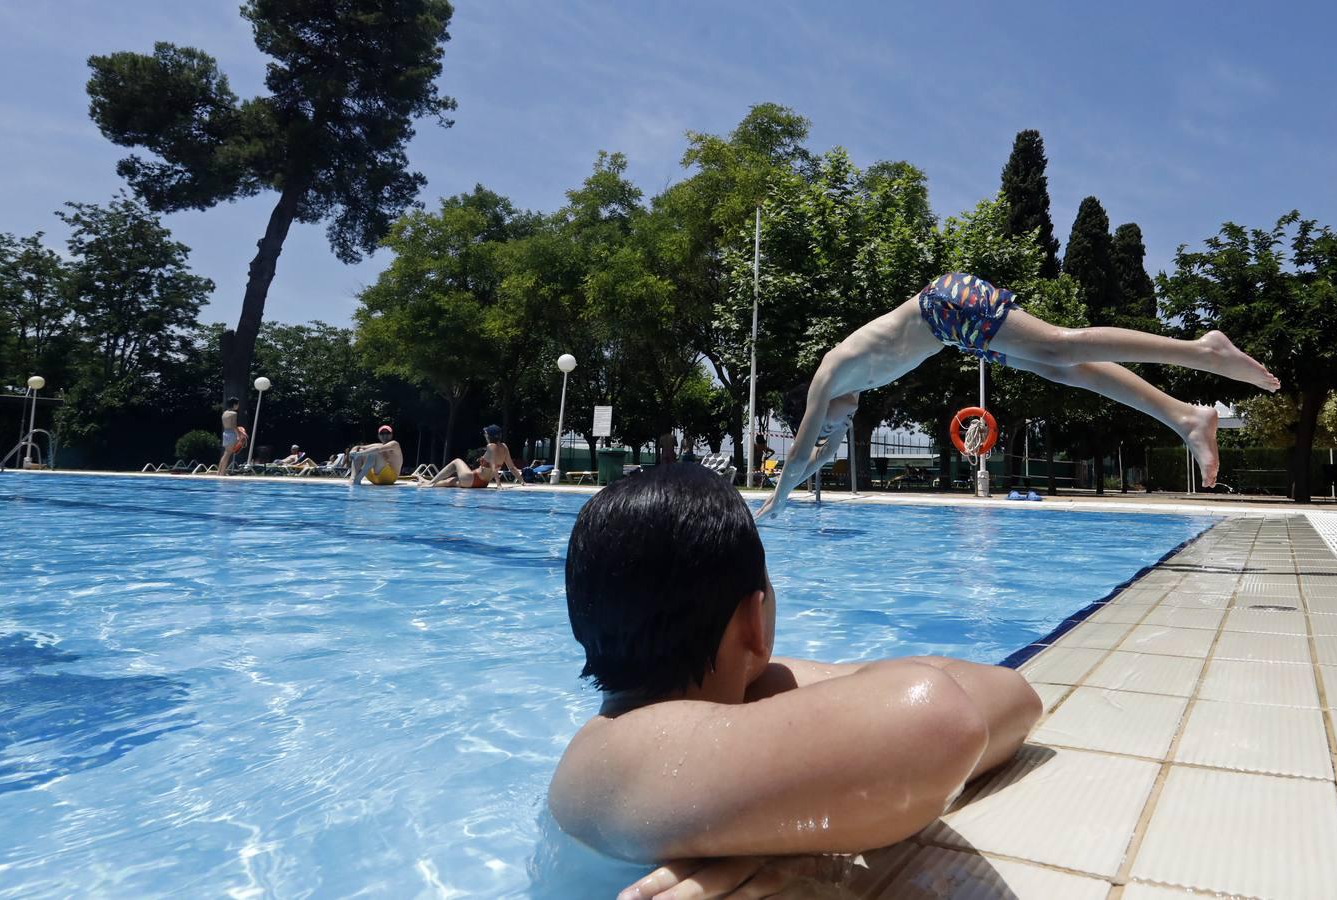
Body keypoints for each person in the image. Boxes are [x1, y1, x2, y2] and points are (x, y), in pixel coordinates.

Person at [549, 465, 1041, 895]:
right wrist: (790, 823)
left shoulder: (626, 736)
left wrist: (774, 827)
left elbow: (1013, 695)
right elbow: (944, 721)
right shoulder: (627, 756)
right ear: (753, 622)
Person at [756, 271, 1280, 520]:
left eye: (826, 423)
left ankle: (1202, 350)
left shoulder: (829, 374)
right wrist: (787, 495)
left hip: (944, 305)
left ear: (813, 407)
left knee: (1058, 346)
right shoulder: (848, 393)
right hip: (953, 332)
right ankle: (1184, 417)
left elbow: (802, 452)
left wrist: (774, 503)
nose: (837, 428)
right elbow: (815, 457)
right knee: (1065, 371)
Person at [423, 425, 525, 488]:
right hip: (483, 484)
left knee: (457, 461)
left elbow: (493, 466)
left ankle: (429, 482)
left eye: (486, 434)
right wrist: (522, 482)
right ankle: (426, 482)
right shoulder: (504, 447)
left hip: (472, 478)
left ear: (489, 436)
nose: (485, 435)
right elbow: (512, 467)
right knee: (450, 482)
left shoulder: (491, 446)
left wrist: (499, 485)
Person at [216, 398, 245, 476]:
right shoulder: (234, 413)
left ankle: (220, 472)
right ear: (234, 404)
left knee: (225, 453)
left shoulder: (225, 413)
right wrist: (239, 435)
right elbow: (234, 425)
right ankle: (222, 473)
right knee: (227, 454)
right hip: (232, 434)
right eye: (238, 404)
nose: (238, 406)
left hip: (225, 433)